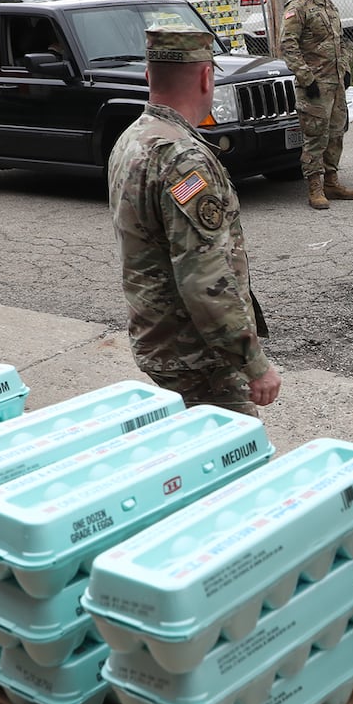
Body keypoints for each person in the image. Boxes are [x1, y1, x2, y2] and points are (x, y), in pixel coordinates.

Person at [108, 27, 281, 416]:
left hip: (161, 337)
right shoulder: (182, 159)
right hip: (196, 354)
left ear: (149, 76)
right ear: (207, 77)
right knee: (236, 460)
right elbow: (204, 276)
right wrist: (253, 363)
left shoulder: (133, 138)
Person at [280, 0, 353, 210]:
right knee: (315, 136)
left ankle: (332, 182)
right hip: (315, 87)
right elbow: (288, 46)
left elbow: (342, 40)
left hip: (335, 84)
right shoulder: (298, 7)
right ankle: (315, 186)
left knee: (336, 133)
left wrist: (345, 69)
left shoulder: (329, 5)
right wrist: (306, 77)